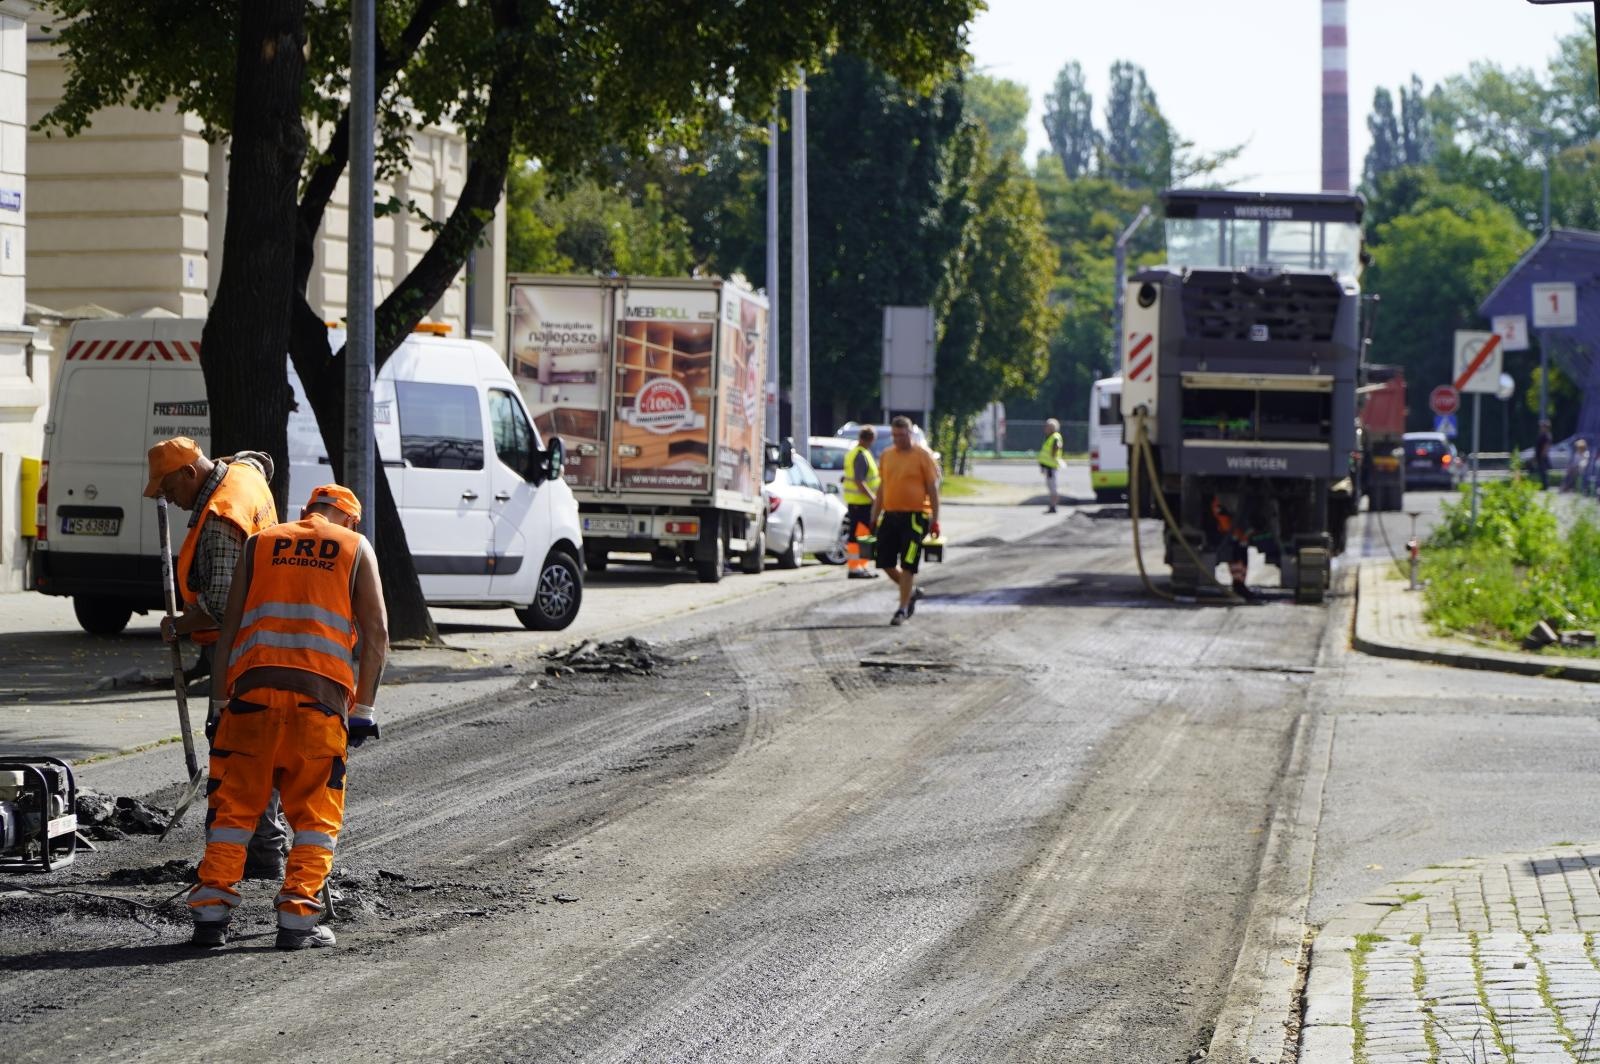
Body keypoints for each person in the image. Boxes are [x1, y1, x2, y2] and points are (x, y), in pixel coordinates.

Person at [188, 484, 388, 950]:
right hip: (317, 707)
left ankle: (211, 916)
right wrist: (364, 710)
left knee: (232, 813)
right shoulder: (355, 547)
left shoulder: (261, 543)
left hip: (249, 702)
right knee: (316, 817)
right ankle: (298, 920)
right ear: (351, 521)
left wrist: (220, 705)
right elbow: (377, 635)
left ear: (305, 512)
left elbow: (229, 630)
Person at [144, 436, 288, 878]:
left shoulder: (222, 519)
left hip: (243, 652)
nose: (169, 498)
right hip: (263, 642)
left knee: (237, 752)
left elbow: (225, 604)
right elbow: (259, 459)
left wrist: (177, 626)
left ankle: (254, 856)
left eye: (169, 488)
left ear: (190, 473)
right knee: (256, 751)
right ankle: (259, 850)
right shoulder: (241, 475)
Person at [871, 416, 941, 626]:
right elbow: (883, 487)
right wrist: (874, 516)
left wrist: (935, 519)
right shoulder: (887, 455)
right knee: (884, 561)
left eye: (902, 435)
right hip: (890, 516)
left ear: (910, 433)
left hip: (915, 517)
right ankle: (910, 591)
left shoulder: (922, 456)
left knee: (908, 564)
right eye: (894, 436)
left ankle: (902, 609)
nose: (898, 440)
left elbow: (932, 489)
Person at [840, 426, 881, 580]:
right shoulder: (861, 455)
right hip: (861, 502)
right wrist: (873, 497)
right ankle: (857, 567)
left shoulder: (854, 453)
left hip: (856, 502)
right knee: (861, 536)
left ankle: (858, 566)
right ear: (871, 439)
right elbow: (859, 481)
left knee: (859, 535)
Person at [1038, 418, 1064, 513]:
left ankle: (1054, 506)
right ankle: (1052, 505)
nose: (1045, 428)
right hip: (1048, 467)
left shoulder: (1055, 437)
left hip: (1051, 467)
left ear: (1052, 428)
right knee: (1051, 486)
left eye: (1047, 426)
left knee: (1053, 487)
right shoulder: (1050, 437)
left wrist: (1053, 454)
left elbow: (1057, 445)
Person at [1536, 420, 1553, 490]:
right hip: (1540, 456)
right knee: (1541, 472)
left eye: (1542, 426)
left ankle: (1545, 486)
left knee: (1544, 472)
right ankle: (1544, 485)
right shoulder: (1542, 435)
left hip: (1543, 456)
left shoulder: (1547, 435)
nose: (1541, 428)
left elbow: (1546, 446)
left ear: (1546, 427)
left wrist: (1543, 455)